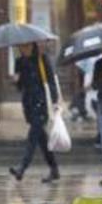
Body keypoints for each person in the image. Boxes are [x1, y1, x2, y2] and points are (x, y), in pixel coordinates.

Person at [9, 41, 60, 183]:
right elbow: (20, 87)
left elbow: (51, 81)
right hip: (29, 105)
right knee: (41, 139)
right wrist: (16, 81)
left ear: (32, 46)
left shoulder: (42, 59)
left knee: (33, 137)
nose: (23, 49)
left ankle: (22, 168)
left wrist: (55, 101)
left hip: (43, 104)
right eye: (20, 46)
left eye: (25, 46)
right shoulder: (19, 62)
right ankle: (54, 168)